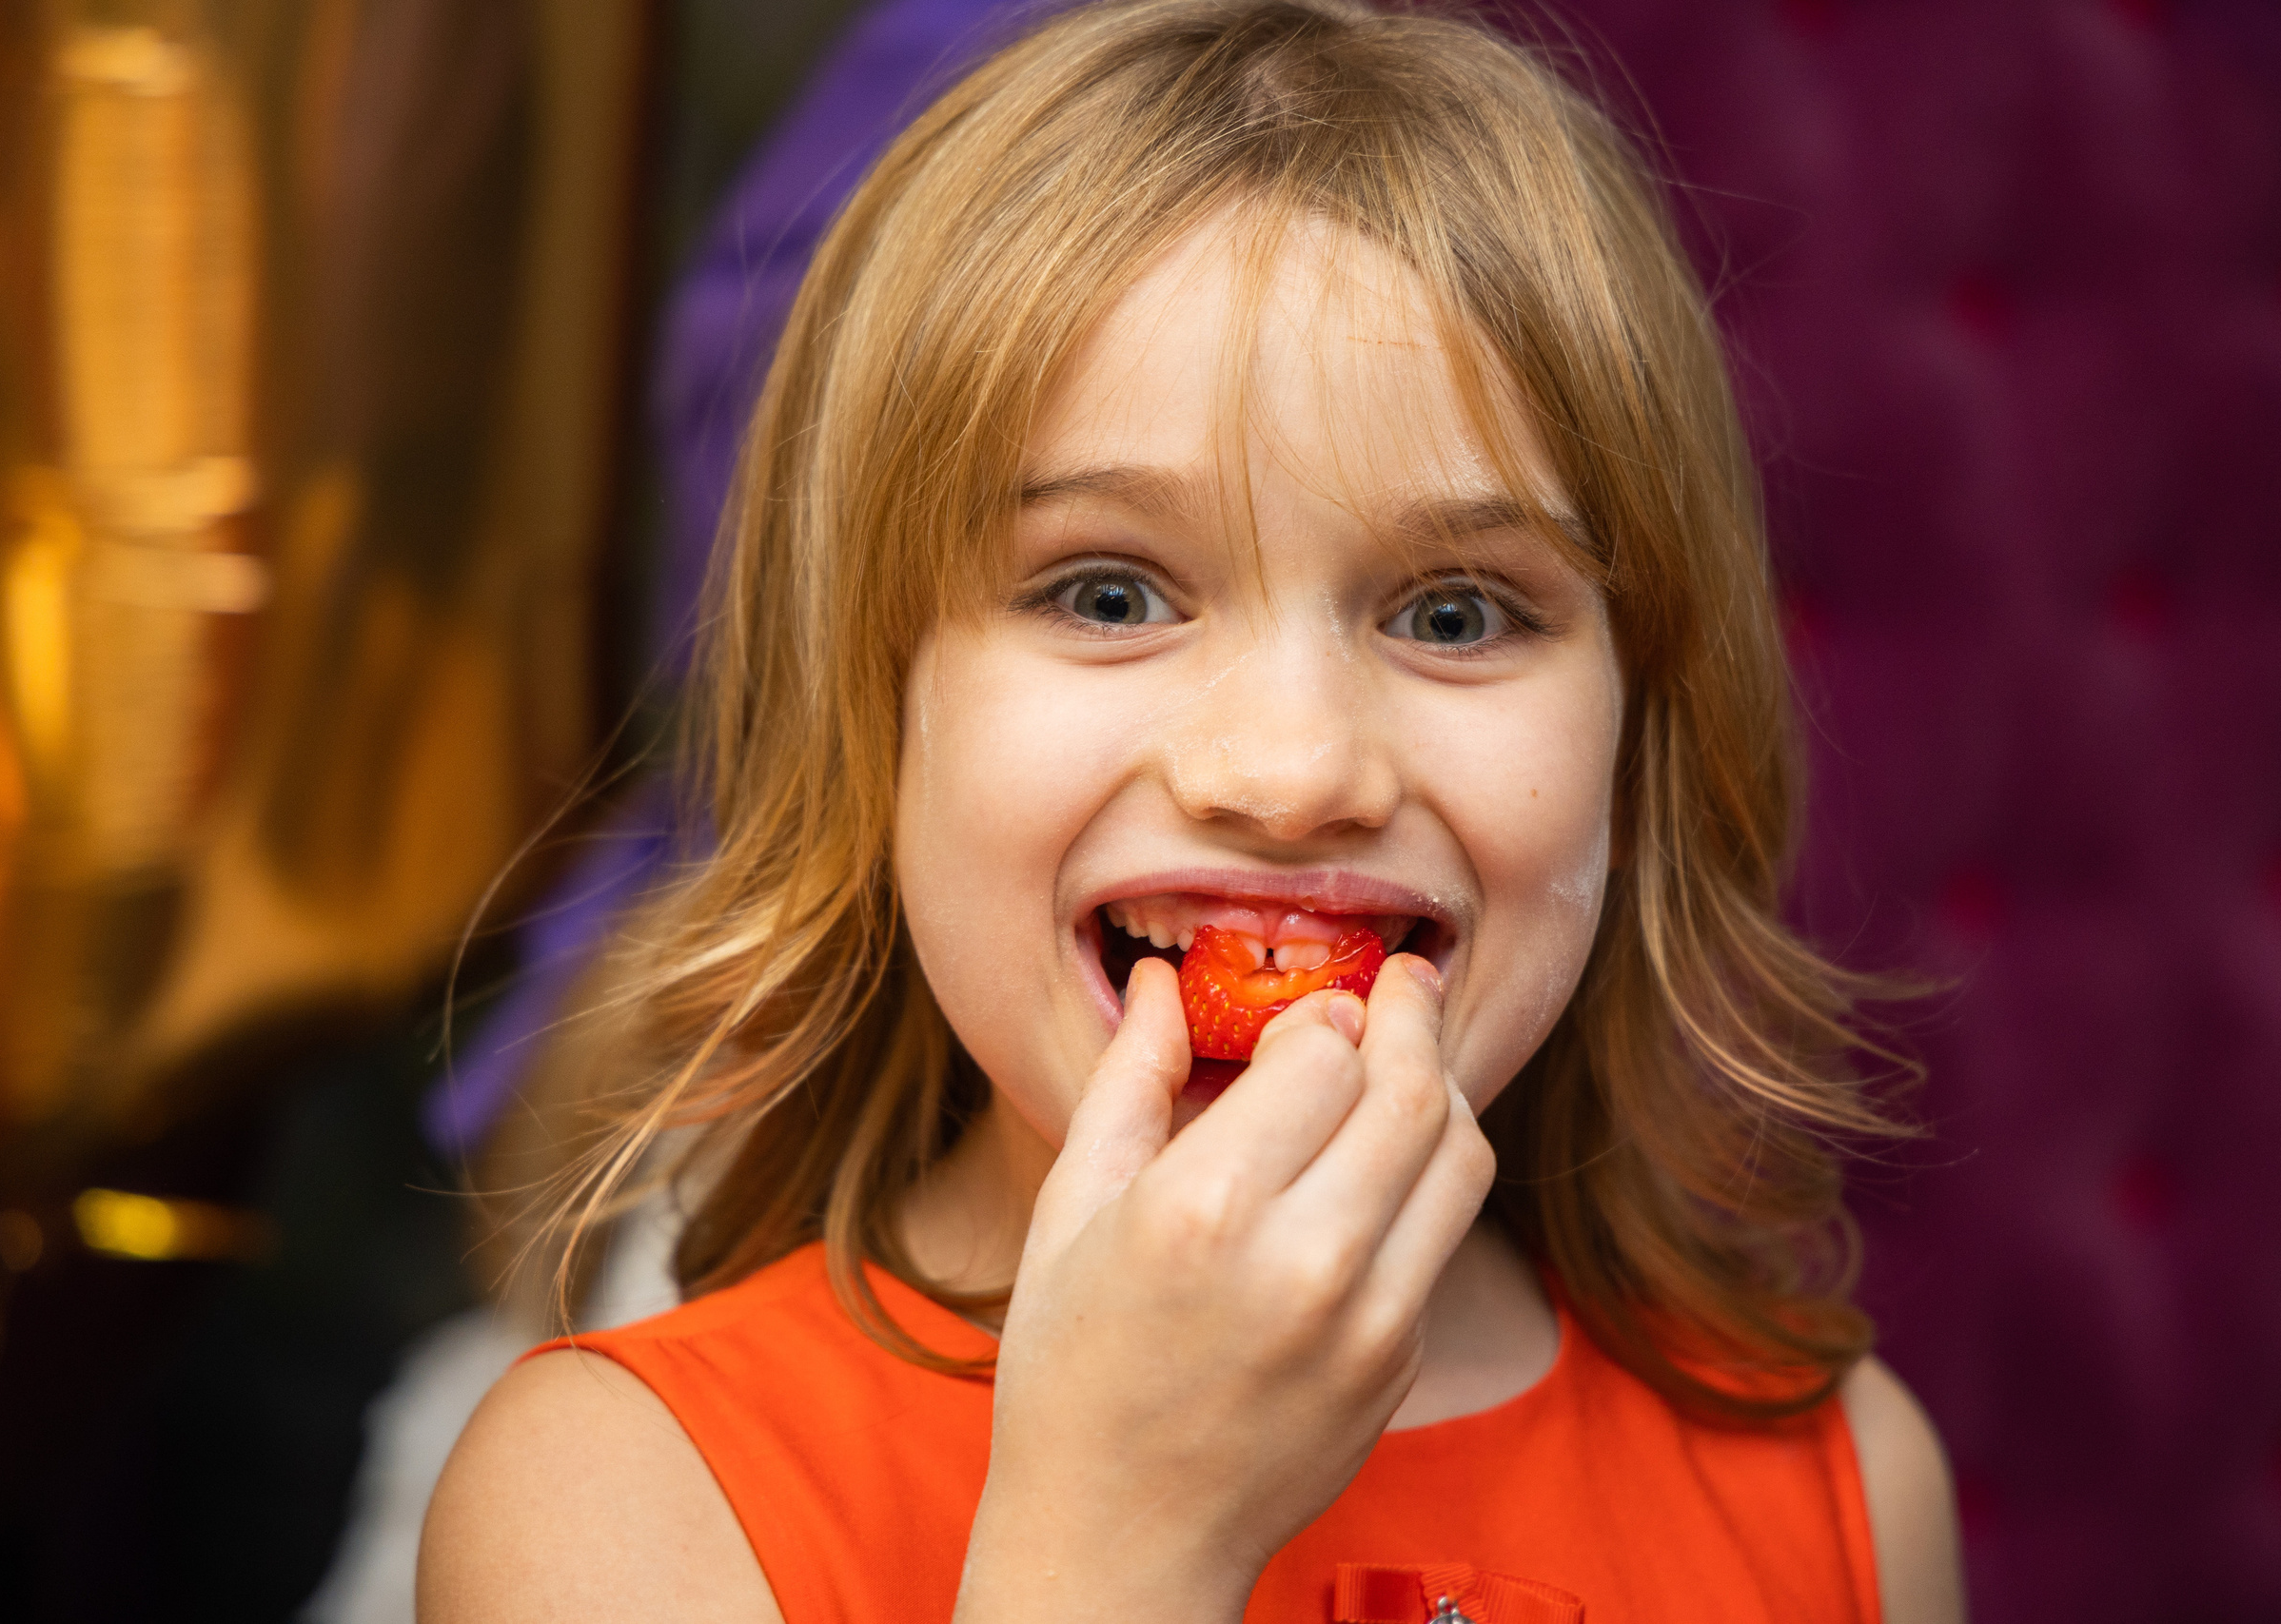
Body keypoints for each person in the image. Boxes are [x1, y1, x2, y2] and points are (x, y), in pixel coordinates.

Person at [419, 2, 1966, 1619]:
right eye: (1108, 591)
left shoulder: (1848, 1488)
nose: (1294, 775)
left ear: (1644, 745)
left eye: (1453, 614)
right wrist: (1117, 1546)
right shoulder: (621, 1496)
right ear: (870, 723)